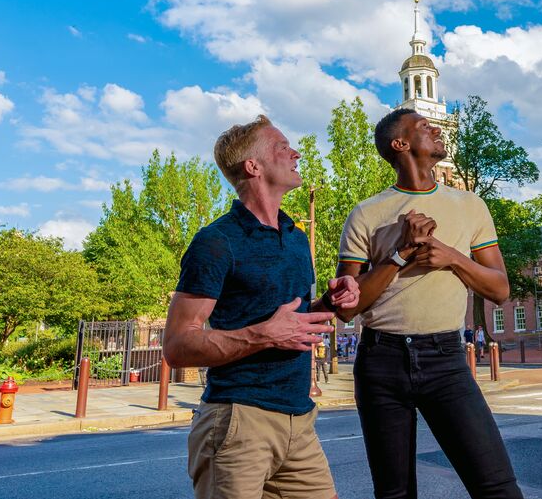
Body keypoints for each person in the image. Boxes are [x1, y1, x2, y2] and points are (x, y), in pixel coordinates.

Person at [164, 114, 360, 499]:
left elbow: (291, 321)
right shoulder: (217, 242)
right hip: (238, 422)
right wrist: (263, 335)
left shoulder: (295, 237)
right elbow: (176, 346)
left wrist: (329, 301)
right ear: (252, 166)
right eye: (282, 147)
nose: (296, 153)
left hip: (299, 422)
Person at [336, 108, 522, 499]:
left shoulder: (470, 205)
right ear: (399, 144)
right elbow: (347, 307)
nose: (435, 129)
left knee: (497, 487)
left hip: (445, 360)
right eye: (424, 126)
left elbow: (500, 289)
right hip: (380, 362)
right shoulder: (367, 214)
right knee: (395, 494)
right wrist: (399, 256)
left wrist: (452, 257)